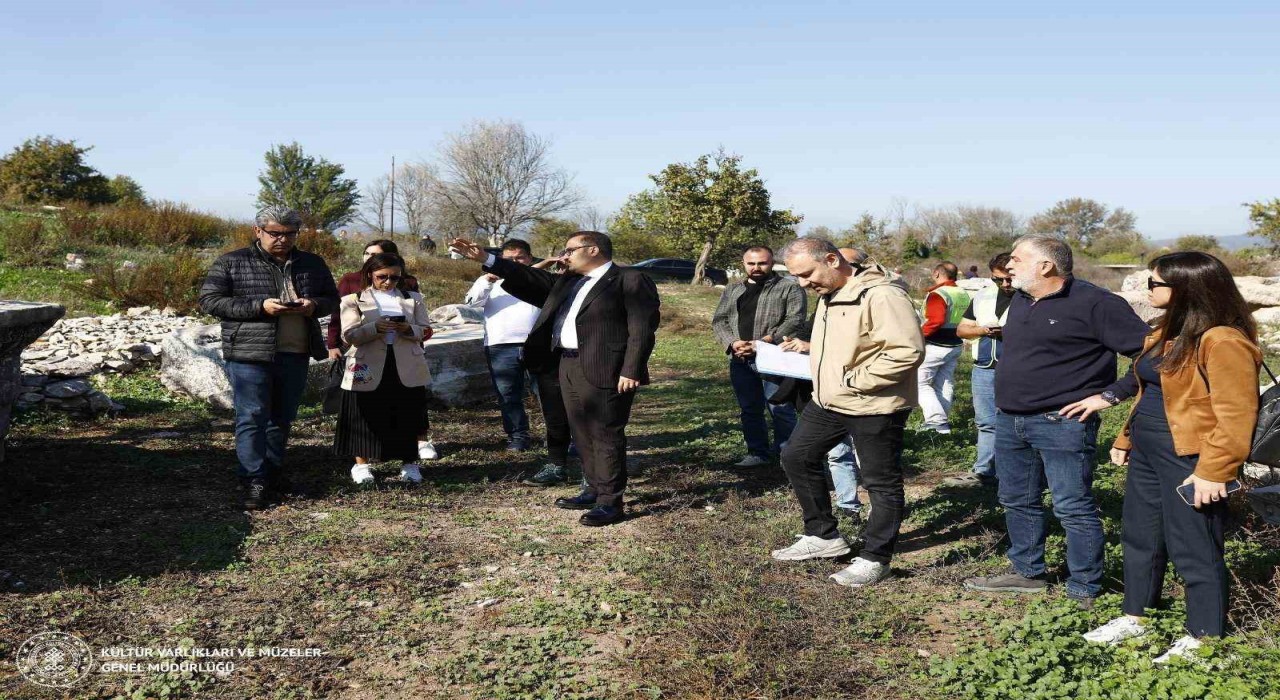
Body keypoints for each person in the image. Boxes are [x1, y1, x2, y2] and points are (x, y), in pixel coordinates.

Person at [1081, 252, 1260, 663]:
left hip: (1192, 457)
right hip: (1150, 451)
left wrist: (1216, 470)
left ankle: (1204, 638)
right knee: (1140, 536)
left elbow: (1236, 413)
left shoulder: (1222, 340)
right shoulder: (1167, 331)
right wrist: (1126, 439)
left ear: (1186, 288)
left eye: (1154, 283)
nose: (1148, 290)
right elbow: (1151, 394)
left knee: (1194, 546)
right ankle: (1136, 618)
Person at [963, 234, 1150, 608]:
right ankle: (1027, 572)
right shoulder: (1020, 299)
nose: (1008, 265)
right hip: (1010, 419)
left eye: (1017, 259)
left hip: (1061, 423)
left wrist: (1110, 395)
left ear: (1045, 266)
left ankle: (1084, 586)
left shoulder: (1096, 303)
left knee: (1072, 505)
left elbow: (1150, 355)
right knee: (1016, 499)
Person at [450, 232, 660, 527]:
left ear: (593, 249)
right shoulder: (571, 282)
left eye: (570, 250)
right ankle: (593, 489)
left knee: (605, 433)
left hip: (608, 368)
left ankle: (610, 503)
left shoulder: (629, 279)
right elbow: (529, 279)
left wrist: (631, 369)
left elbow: (642, 328)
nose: (565, 255)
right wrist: (487, 259)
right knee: (582, 432)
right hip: (567, 364)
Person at [771, 238, 924, 588]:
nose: (803, 283)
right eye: (796, 276)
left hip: (873, 403)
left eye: (807, 274)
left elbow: (906, 351)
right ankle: (823, 536)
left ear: (831, 260)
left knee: (880, 482)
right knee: (796, 456)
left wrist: (854, 379)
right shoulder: (830, 293)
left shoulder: (882, 295)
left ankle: (876, 558)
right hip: (829, 400)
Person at [198, 206, 339, 510]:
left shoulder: (312, 263)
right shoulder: (233, 262)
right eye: (275, 233)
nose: (282, 239)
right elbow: (210, 301)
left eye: (289, 234)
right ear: (257, 231)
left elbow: (332, 299)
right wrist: (260, 306)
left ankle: (272, 473)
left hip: (296, 351)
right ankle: (253, 479)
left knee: (282, 417)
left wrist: (312, 304)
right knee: (252, 416)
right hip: (250, 353)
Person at [464, 238, 573, 486]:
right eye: (509, 259)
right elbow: (472, 303)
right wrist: (488, 279)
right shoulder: (488, 282)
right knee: (508, 394)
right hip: (501, 344)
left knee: (550, 394)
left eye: (520, 258)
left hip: (539, 344)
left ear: (529, 258)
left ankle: (558, 438)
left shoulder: (538, 279)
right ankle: (518, 437)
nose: (514, 262)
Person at [327, 239, 435, 461]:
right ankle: (361, 464)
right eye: (382, 277)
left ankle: (409, 462)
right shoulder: (352, 299)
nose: (388, 282)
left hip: (404, 363)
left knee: (406, 414)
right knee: (362, 413)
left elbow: (425, 330)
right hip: (365, 362)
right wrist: (374, 328)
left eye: (394, 277)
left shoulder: (413, 299)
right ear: (370, 275)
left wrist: (408, 328)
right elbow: (350, 335)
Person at [711, 245, 807, 467]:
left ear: (772, 263)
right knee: (749, 409)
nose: (756, 267)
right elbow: (720, 320)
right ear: (743, 264)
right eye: (751, 263)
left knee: (780, 408)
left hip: (775, 359)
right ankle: (757, 453)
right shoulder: (732, 289)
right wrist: (733, 342)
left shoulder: (788, 288)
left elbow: (795, 319)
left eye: (762, 263)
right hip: (740, 358)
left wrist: (763, 343)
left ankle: (788, 456)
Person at [944, 252, 1014, 488]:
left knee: (1019, 422)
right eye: (998, 279)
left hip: (1017, 369)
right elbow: (962, 330)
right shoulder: (983, 296)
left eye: (1009, 279)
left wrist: (1009, 333)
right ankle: (984, 471)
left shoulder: (1030, 298)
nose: (1005, 284)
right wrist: (983, 330)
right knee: (985, 422)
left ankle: (1018, 473)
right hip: (984, 367)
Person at [917, 261, 970, 434]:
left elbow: (935, 321)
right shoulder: (962, 293)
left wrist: (918, 337)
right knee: (945, 382)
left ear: (937, 274)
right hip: (955, 344)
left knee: (919, 383)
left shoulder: (938, 294)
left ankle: (936, 421)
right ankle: (942, 422)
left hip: (935, 345)